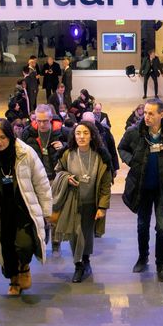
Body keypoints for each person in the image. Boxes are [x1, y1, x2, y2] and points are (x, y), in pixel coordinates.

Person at [0, 118, 52, 295]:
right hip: (0, 212)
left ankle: (24, 267)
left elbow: (41, 182)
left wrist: (46, 210)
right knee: (6, 248)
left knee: (25, 244)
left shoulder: (25, 153)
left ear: (10, 136)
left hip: (23, 209)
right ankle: (13, 280)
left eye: (3, 137)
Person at [117, 98, 163, 282]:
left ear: (161, 114)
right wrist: (131, 161)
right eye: (145, 112)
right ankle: (142, 257)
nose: (146, 116)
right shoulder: (134, 132)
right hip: (142, 188)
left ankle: (161, 265)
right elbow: (121, 148)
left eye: (150, 113)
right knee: (142, 225)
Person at [51, 121, 113, 282]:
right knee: (75, 233)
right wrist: (67, 178)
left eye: (85, 133)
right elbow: (58, 171)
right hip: (72, 201)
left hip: (91, 203)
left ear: (92, 136)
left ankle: (86, 260)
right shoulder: (67, 153)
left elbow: (106, 184)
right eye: (78, 133)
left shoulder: (101, 156)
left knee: (86, 234)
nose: (81, 136)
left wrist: (102, 206)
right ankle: (78, 265)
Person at [21, 104, 70, 250]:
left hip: (55, 176)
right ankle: (44, 233)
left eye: (45, 121)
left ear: (50, 118)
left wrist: (64, 146)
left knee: (55, 208)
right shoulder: (27, 133)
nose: (41, 124)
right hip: (36, 178)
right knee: (40, 210)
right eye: (39, 121)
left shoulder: (62, 132)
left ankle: (56, 240)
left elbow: (73, 148)